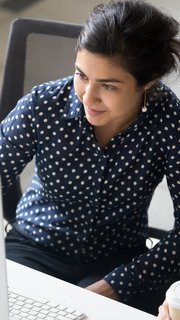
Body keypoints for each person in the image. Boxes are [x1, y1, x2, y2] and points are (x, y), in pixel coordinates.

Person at [0, 0, 180, 316]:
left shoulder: (169, 121)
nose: (87, 96)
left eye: (107, 86)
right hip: (34, 245)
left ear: (147, 85)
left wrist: (119, 283)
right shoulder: (43, 105)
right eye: (81, 75)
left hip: (119, 260)